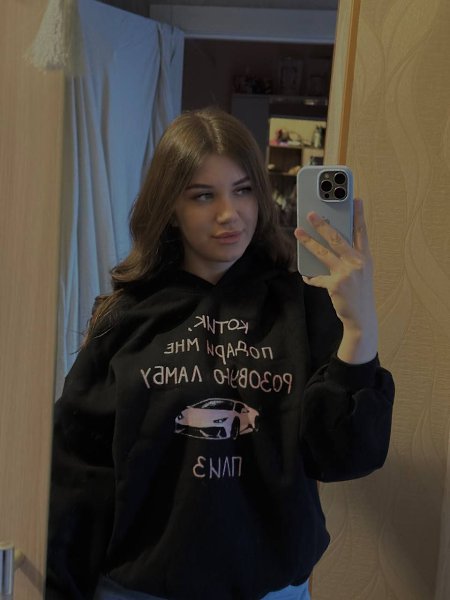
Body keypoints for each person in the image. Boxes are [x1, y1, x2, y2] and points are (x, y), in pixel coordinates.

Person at [46, 107, 394, 600]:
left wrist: (360, 326)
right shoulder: (125, 318)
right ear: (170, 207)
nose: (229, 214)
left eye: (243, 189)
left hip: (272, 592)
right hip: (139, 591)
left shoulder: (301, 306)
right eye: (203, 195)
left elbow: (343, 457)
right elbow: (77, 477)